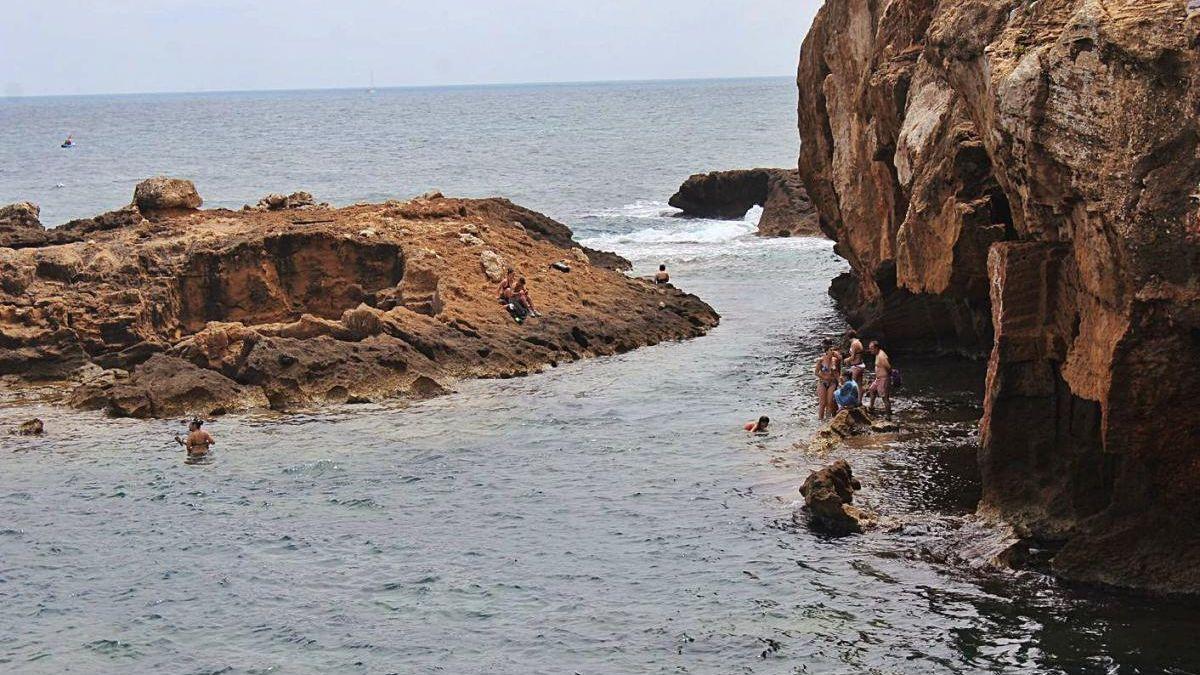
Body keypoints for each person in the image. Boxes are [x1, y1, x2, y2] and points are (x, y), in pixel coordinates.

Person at [814, 339, 841, 421]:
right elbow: (816, 372)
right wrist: (824, 377)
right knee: (822, 403)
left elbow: (836, 373)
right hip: (822, 382)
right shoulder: (821, 360)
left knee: (830, 402)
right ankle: (820, 420)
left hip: (832, 383)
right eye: (830, 351)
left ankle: (828, 420)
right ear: (826, 352)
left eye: (832, 351)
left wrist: (839, 382)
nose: (832, 353)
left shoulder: (834, 360)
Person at [867, 340, 893, 418]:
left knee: (885, 398)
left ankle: (888, 416)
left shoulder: (881, 356)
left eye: (871, 348)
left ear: (876, 348)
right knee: (872, 389)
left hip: (883, 379)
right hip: (878, 379)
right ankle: (871, 407)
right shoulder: (878, 354)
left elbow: (888, 367)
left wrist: (887, 377)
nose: (870, 350)